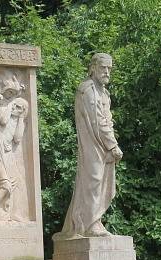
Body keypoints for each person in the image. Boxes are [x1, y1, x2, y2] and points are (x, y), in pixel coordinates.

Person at [55, 53, 123, 238]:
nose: (107, 72)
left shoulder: (104, 92)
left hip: (102, 146)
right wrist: (113, 145)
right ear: (93, 68)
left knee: (101, 183)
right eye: (103, 68)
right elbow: (97, 121)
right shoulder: (87, 90)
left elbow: (107, 120)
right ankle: (90, 224)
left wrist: (110, 145)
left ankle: (93, 221)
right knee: (93, 181)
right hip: (92, 144)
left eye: (109, 68)